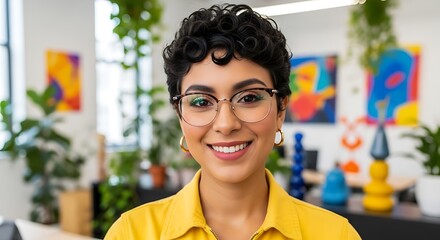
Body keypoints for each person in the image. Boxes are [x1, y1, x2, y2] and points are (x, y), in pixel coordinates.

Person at [104, 3, 361, 240]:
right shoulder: (132, 233)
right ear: (180, 114)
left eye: (249, 97)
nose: (226, 124)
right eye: (201, 102)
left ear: (281, 108)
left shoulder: (336, 235)